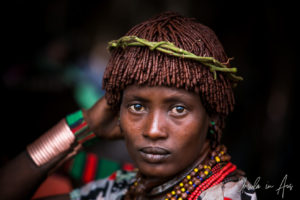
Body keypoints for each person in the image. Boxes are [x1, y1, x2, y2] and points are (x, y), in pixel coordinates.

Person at [0, 12, 257, 200]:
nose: (154, 130)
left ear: (211, 114)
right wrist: (83, 125)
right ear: (116, 111)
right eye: (137, 107)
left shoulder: (230, 195)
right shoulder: (119, 188)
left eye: (178, 109)